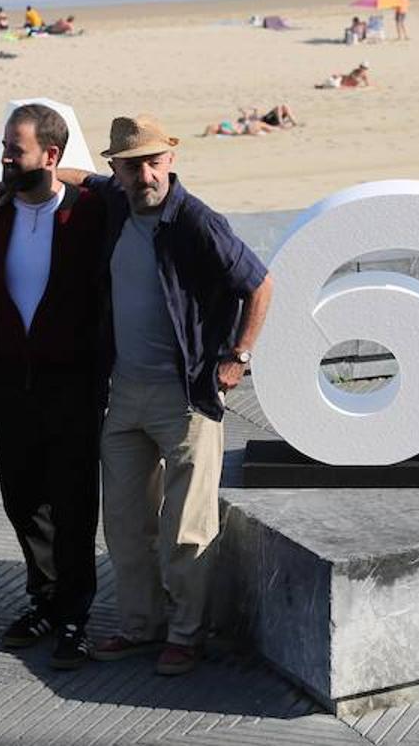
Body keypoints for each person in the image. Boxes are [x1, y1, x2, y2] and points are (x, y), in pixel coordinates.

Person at [53, 116, 273, 677]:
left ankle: (184, 634)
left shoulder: (197, 221)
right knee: (125, 525)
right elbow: (77, 177)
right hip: (123, 395)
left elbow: (260, 285)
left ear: (170, 161)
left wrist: (238, 357)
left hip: (185, 396)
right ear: (118, 170)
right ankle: (140, 625)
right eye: (133, 165)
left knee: (186, 527)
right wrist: (37, 171)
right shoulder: (118, 201)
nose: (146, 173)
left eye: (154, 161)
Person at [0, 104, 107, 671]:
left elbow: (153, 192)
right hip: (6, 378)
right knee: (23, 496)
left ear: (51, 156)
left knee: (74, 500)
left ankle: (76, 614)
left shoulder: (90, 213)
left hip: (73, 379)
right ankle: (45, 600)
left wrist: (79, 176)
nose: (3, 156)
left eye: (15, 148)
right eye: (3, 144)